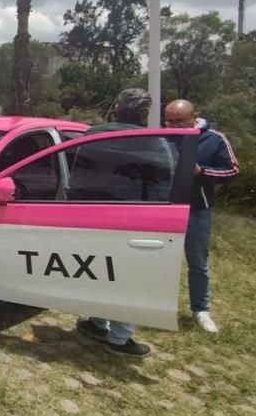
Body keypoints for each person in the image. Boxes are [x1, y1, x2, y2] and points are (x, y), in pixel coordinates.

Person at [76, 87, 156, 358]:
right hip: (131, 217)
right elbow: (161, 185)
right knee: (129, 279)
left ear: (117, 108)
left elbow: (76, 176)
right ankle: (120, 340)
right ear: (145, 113)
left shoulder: (92, 134)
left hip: (89, 213)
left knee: (99, 271)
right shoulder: (152, 141)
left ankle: (98, 323)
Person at [164, 99, 239, 334]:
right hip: (163, 208)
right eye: (171, 122)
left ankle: (201, 309)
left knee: (197, 262)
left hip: (196, 210)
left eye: (181, 121)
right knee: (159, 261)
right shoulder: (162, 138)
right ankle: (156, 305)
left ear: (195, 116)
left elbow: (232, 170)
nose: (175, 127)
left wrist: (202, 172)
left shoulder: (214, 139)